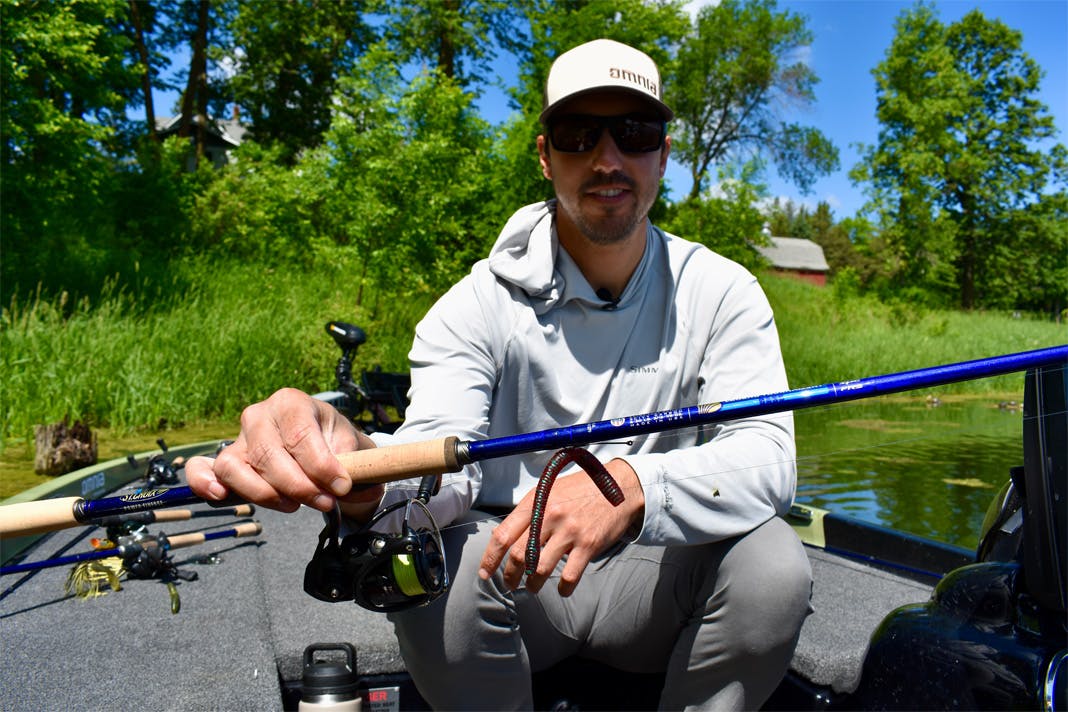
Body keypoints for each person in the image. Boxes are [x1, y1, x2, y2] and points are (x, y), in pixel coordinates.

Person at [187, 38, 812, 710]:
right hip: (517, 580)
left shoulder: (725, 291)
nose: (608, 159)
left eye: (634, 133)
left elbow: (767, 457)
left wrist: (631, 486)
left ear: (663, 153)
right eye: (578, 134)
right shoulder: (475, 304)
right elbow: (441, 459)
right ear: (546, 156)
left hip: (658, 583)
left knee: (773, 567)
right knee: (434, 569)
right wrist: (362, 473)